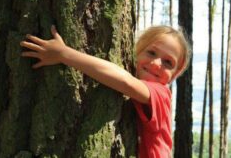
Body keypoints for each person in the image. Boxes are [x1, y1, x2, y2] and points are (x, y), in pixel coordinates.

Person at [20, 25, 191, 158]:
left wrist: (63, 54)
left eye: (168, 63)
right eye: (151, 52)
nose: (156, 63)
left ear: (175, 74)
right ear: (137, 53)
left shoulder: (161, 94)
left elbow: (125, 81)